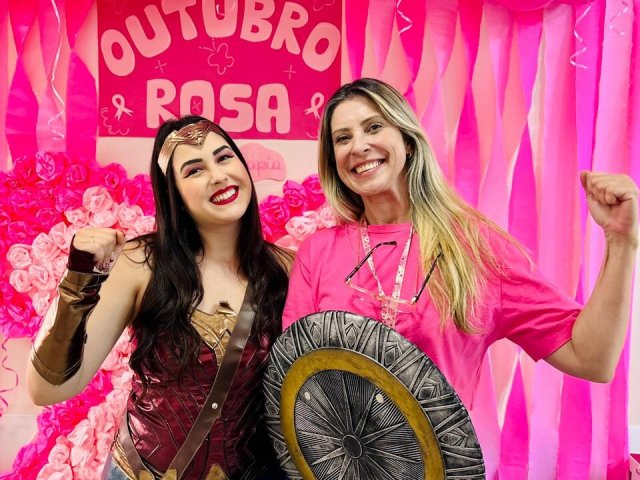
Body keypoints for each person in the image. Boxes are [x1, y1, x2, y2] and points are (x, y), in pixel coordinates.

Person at [282, 78, 638, 473]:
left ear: (408, 140)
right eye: (342, 138)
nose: (359, 146)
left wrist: (621, 242)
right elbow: (295, 385)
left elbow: (592, 358)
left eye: (374, 127)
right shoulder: (318, 251)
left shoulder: (476, 249)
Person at [27, 116, 292, 479]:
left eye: (224, 157)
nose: (218, 175)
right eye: (194, 169)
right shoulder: (140, 264)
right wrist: (78, 281)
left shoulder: (287, 268)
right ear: (174, 194)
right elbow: (46, 389)